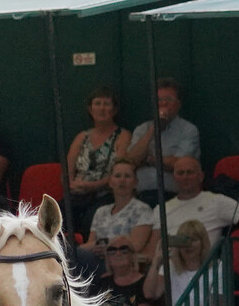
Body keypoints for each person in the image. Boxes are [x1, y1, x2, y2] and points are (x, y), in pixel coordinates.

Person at [154, 157, 239, 250]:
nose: (185, 177)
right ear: (174, 177)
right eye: (180, 173)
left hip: (202, 273)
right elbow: (153, 247)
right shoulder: (161, 209)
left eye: (190, 172)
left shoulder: (216, 201)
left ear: (201, 176)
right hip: (165, 272)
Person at [63, 87, 127, 233]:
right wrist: (72, 185)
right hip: (77, 194)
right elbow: (67, 172)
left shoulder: (122, 136)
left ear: (115, 110)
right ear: (90, 109)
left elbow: (121, 169)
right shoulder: (81, 137)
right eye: (97, 104)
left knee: (91, 219)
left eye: (106, 104)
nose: (101, 109)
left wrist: (94, 185)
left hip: (106, 194)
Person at [127, 78, 198, 198]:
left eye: (169, 99)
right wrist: (154, 129)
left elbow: (181, 165)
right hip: (140, 195)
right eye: (159, 100)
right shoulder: (142, 129)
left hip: (174, 195)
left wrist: (149, 159)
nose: (163, 104)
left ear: (178, 104)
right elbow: (131, 161)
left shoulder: (188, 130)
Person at [87, 160, 156, 262]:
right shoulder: (101, 211)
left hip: (123, 262)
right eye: (118, 176)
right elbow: (89, 245)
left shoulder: (142, 210)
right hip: (97, 260)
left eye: (127, 176)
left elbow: (135, 246)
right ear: (110, 182)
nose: (122, 180)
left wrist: (103, 246)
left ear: (135, 182)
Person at [90, 240, 157, 306]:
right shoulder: (102, 282)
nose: (118, 253)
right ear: (107, 258)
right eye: (112, 250)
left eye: (124, 249)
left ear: (132, 256)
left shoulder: (145, 283)